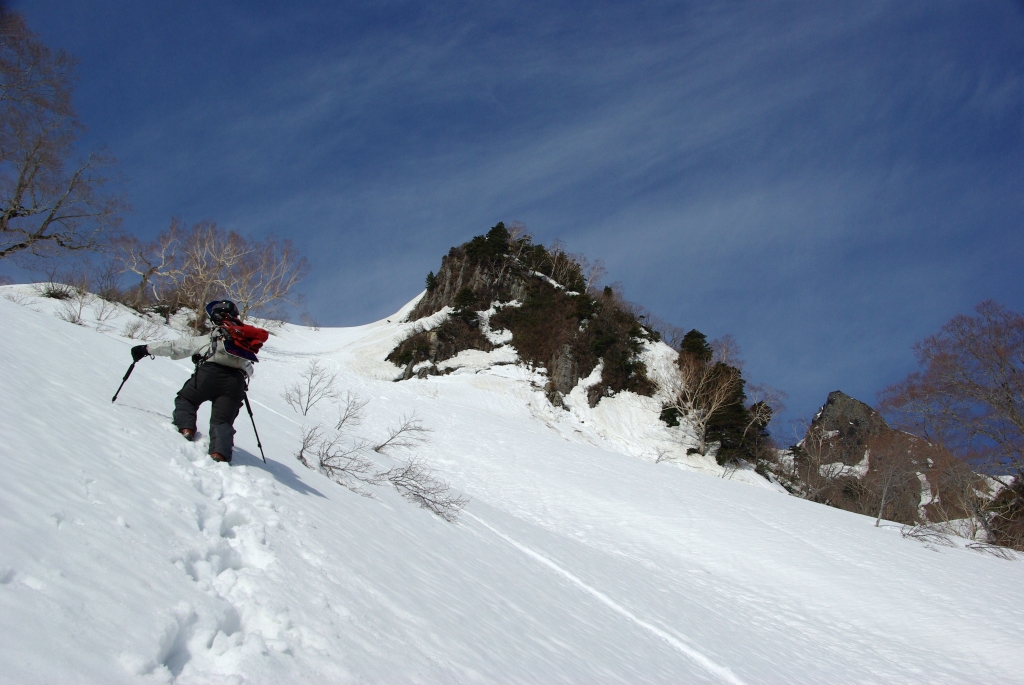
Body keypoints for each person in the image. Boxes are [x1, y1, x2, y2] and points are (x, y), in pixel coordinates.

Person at [131, 300, 258, 464]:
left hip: (208, 375)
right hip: (235, 384)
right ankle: (219, 455)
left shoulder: (210, 338)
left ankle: (186, 428)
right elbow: (250, 370)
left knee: (187, 399)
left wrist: (146, 349)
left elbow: (176, 346)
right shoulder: (242, 344)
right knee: (223, 421)